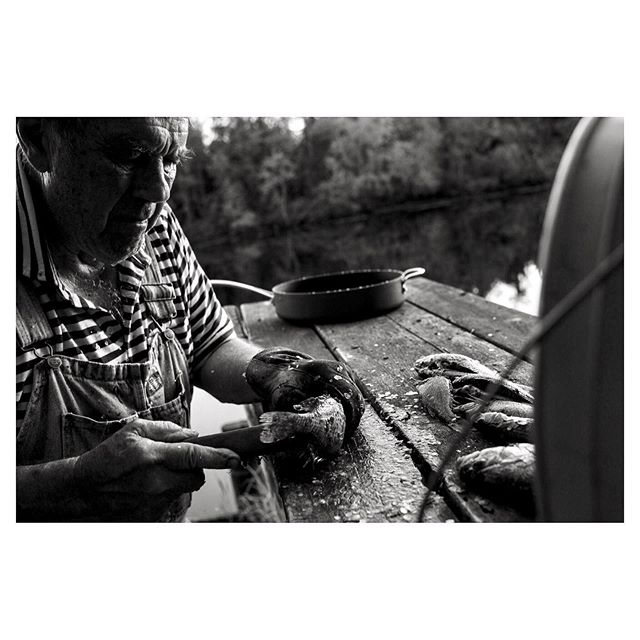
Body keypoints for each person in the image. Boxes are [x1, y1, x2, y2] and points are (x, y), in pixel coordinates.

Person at [15, 117, 364, 522]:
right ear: (39, 137)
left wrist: (277, 373)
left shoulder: (150, 221)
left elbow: (210, 345)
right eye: (129, 154)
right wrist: (75, 485)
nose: (159, 190)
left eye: (171, 159)